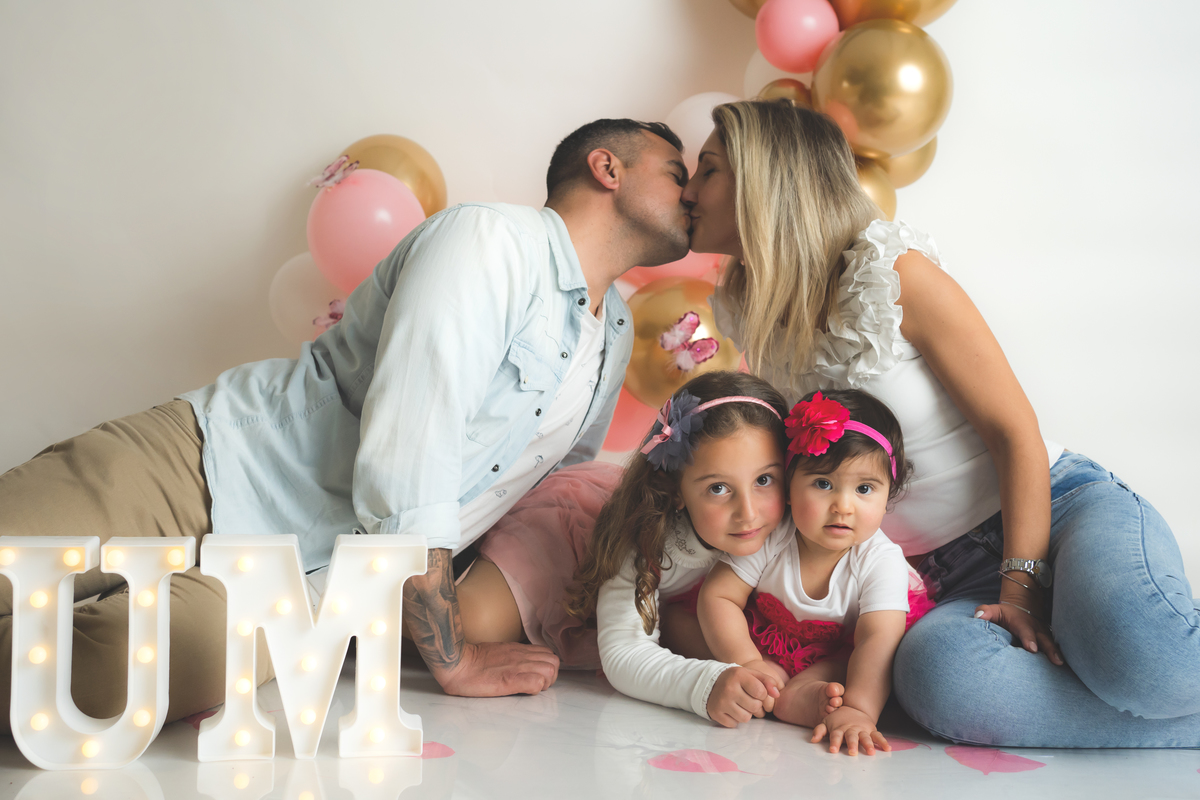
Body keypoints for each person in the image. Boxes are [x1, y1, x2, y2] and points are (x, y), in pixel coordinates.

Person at [0, 116, 693, 728]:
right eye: (676, 173)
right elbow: (410, 451)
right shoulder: (492, 240)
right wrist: (451, 654)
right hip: (206, 466)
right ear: (607, 168)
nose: (689, 194)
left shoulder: (615, 335)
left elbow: (537, 493)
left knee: (82, 689)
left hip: (307, 584)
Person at [687, 98, 1200, 747]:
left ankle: (1138, 655)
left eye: (708, 169)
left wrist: (1021, 586)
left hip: (1057, 509)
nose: (690, 191)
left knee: (1151, 661)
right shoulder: (750, 316)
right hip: (937, 579)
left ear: (765, 182)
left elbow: (1014, 431)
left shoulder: (892, 275)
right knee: (938, 682)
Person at [698, 388, 931, 756]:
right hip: (761, 637)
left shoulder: (880, 559)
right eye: (823, 484)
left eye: (864, 488)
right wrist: (748, 662)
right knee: (683, 623)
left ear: (889, 495)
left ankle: (808, 701)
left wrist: (860, 710)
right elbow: (720, 596)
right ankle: (768, 686)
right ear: (789, 487)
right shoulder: (773, 534)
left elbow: (876, 641)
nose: (843, 506)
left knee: (842, 669)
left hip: (838, 651)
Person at [560, 370, 790, 728]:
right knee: (486, 621)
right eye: (718, 488)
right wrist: (705, 685)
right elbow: (624, 652)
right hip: (564, 546)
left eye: (764, 479)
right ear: (675, 490)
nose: (748, 513)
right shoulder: (646, 543)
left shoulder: (799, 524)